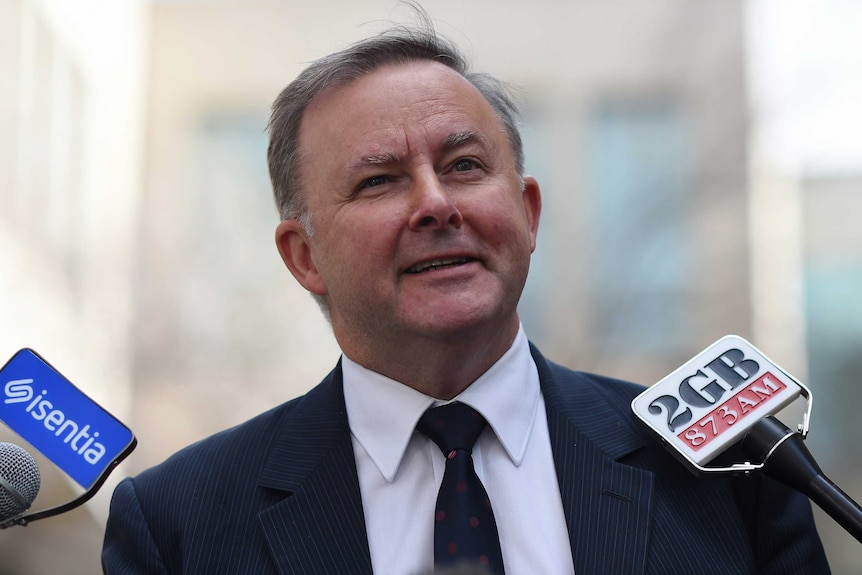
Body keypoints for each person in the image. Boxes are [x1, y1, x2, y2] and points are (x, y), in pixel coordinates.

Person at [101, 15, 831, 575]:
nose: (435, 204)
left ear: (528, 214)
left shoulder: (729, 473)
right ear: (304, 256)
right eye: (380, 180)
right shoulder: (179, 522)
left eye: (464, 164)